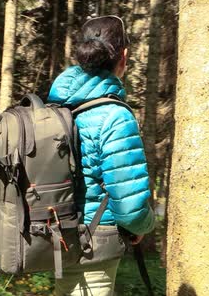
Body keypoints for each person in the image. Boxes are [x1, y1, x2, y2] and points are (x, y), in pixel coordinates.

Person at [47, 15, 155, 296]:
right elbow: (129, 205)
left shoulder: (58, 108)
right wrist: (142, 225)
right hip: (94, 240)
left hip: (59, 232)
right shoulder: (115, 116)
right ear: (124, 56)